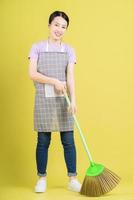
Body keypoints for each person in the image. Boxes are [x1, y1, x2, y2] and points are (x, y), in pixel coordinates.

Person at [28, 10, 81, 193]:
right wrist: (54, 81)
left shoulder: (69, 50)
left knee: (68, 140)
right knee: (43, 140)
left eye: (63, 27)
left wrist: (73, 101)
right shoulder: (37, 47)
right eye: (56, 25)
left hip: (63, 99)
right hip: (44, 99)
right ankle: (41, 178)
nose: (59, 29)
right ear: (49, 25)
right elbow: (32, 74)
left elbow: (71, 77)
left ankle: (72, 178)